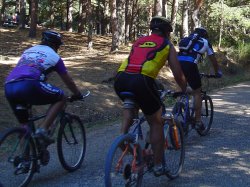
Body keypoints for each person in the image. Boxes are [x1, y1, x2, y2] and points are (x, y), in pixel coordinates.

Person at [114, 16, 187, 176]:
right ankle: (158, 165)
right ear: (168, 32)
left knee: (131, 107)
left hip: (120, 79)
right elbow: (177, 73)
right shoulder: (167, 45)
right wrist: (184, 88)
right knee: (156, 122)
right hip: (143, 81)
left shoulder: (139, 41)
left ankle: (123, 138)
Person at [4, 30, 82, 144]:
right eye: (58, 46)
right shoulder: (55, 57)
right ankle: (43, 129)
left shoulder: (28, 51)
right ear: (55, 45)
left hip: (9, 85)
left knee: (25, 127)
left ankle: (25, 159)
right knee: (61, 97)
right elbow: (68, 81)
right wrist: (77, 94)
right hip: (29, 84)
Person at [178, 27, 222, 130]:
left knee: (182, 87)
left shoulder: (186, 39)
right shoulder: (205, 42)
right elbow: (213, 60)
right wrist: (217, 72)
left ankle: (179, 106)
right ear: (205, 35)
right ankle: (198, 121)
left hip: (177, 63)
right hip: (190, 64)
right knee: (197, 92)